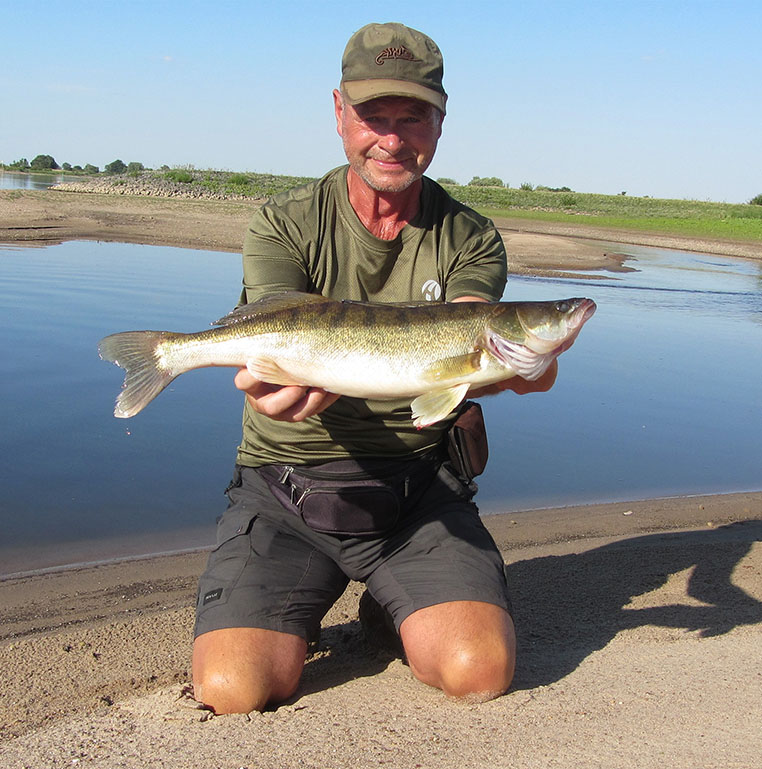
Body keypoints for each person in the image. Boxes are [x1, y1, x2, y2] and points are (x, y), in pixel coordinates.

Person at [192, 21, 557, 714]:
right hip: (286, 491)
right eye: (373, 117)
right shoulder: (284, 223)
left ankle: (392, 607)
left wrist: (526, 365)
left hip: (416, 496)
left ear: (440, 122)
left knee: (479, 669)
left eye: (412, 117)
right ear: (338, 114)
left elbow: (472, 331)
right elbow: (273, 322)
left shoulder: (469, 236)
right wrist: (272, 385)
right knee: (233, 688)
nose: (392, 138)